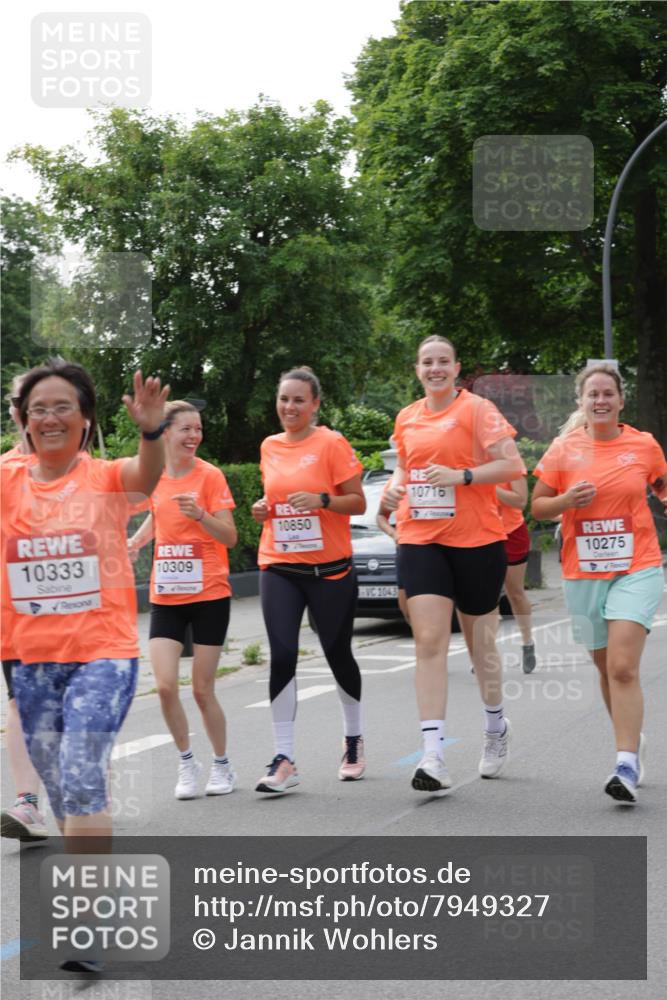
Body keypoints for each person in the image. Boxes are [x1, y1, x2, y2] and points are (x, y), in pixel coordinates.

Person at [1, 359, 169, 846]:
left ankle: (86, 909)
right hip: (32, 663)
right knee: (63, 793)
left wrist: (152, 431)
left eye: (62, 407)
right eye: (38, 410)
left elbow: (149, 472)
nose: (50, 419)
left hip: (103, 655)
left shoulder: (108, 478)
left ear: (85, 419)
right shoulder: (7, 481)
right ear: (24, 420)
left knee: (80, 771)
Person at [382, 336, 525, 792]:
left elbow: (512, 467)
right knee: (429, 640)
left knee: (481, 646)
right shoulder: (407, 417)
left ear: (456, 368)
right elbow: (406, 469)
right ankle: (433, 756)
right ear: (417, 369)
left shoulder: (477, 410)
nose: (435, 368)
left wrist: (464, 476)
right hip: (421, 537)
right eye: (428, 362)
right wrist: (394, 489)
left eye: (443, 361)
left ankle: (496, 727)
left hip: (477, 539)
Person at [532, 363, 667, 805]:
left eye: (608, 393)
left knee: (623, 668)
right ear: (582, 402)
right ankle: (631, 740)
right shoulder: (563, 449)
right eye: (593, 394)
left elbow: (664, 489)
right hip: (582, 574)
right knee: (605, 669)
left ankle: (624, 762)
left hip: (637, 567)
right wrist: (566, 501)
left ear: (621, 400)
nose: (601, 400)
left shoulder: (643, 446)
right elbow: (538, 508)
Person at [251, 367, 366, 793]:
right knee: (282, 653)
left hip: (329, 570)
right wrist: (263, 509)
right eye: (284, 399)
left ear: (315, 404)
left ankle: (352, 741)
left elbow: (357, 502)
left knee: (338, 653)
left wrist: (321, 500)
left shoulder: (331, 443)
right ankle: (285, 758)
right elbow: (272, 498)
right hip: (279, 564)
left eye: (299, 400)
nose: (290, 407)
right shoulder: (269, 446)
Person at [128, 400, 238, 799]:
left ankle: (223, 766)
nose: (194, 436)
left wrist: (201, 516)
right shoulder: (155, 475)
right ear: (167, 433)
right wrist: (137, 542)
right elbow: (158, 514)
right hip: (167, 595)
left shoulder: (209, 476)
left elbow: (230, 537)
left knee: (202, 689)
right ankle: (187, 762)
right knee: (164, 686)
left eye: (198, 429)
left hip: (209, 593)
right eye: (186, 429)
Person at [1, 375, 48, 841]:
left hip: (75, 615)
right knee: (20, 702)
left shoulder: (76, 466)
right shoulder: (4, 472)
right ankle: (28, 805)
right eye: (22, 404)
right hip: (17, 613)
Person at [496, 478, 536, 673]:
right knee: (486, 596)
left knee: (515, 594)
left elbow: (520, 501)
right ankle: (484, 652)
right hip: (481, 532)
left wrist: (488, 487)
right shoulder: (466, 460)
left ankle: (528, 643)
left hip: (511, 532)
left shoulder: (509, 462)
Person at [376, 494, 410, 624]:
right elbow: (381, 516)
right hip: (408, 550)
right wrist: (394, 534)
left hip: (444, 547)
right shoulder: (399, 480)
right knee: (407, 611)